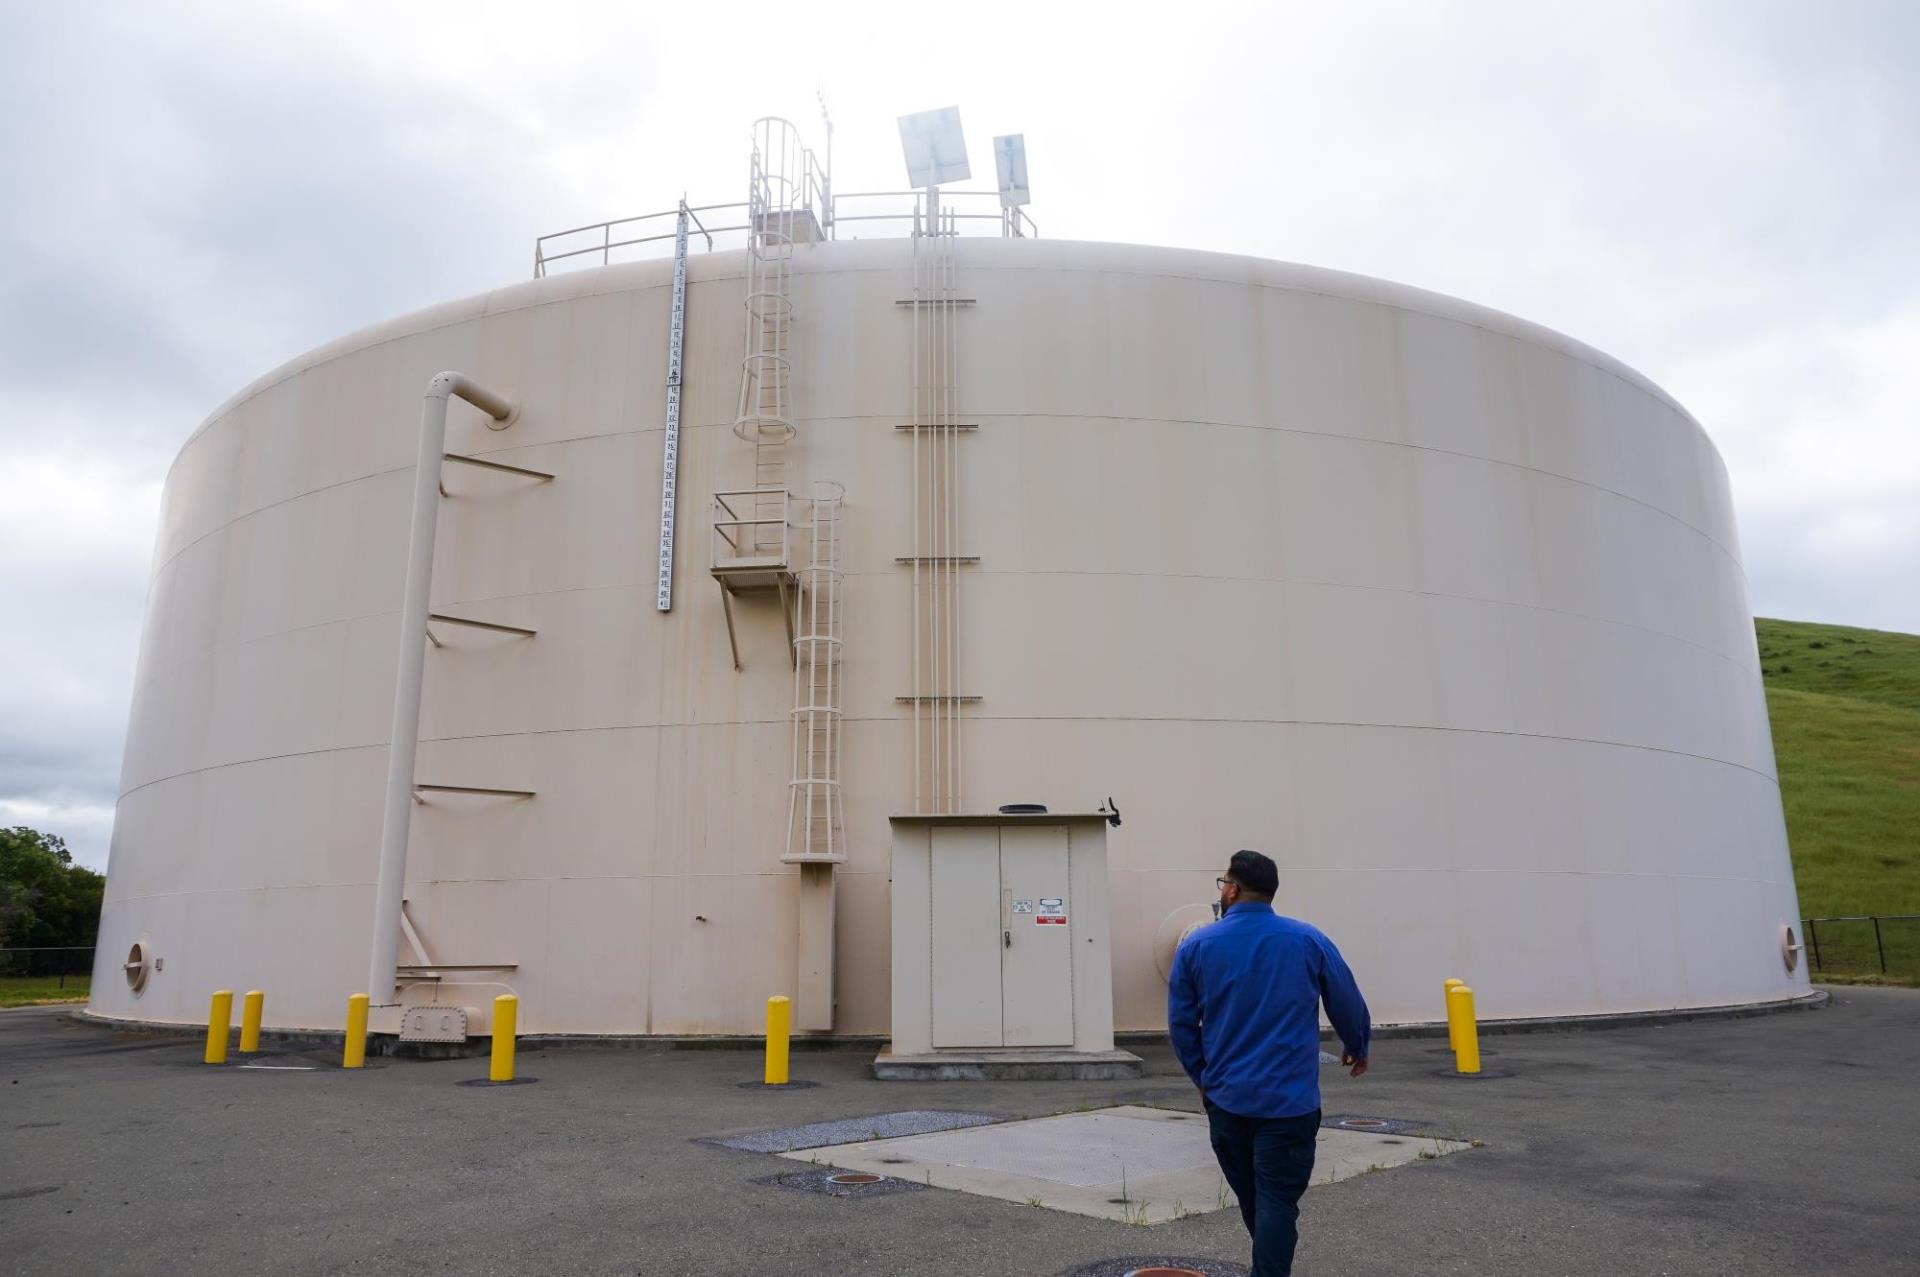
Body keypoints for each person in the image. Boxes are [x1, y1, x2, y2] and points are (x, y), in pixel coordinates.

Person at [1167, 849, 1371, 1277]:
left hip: (1228, 1100)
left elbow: (1182, 1023)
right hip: (1290, 1104)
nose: (1221, 890)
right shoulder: (1306, 939)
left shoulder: (1198, 946)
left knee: (1256, 1201)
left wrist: (1201, 1078)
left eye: (1222, 882)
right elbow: (1346, 997)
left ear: (1233, 889)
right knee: (1276, 1202)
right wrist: (1356, 1043)